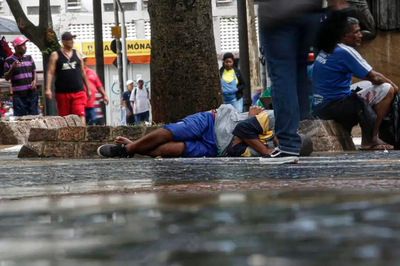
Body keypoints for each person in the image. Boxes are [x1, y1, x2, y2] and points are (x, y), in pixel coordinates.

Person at [258, 0, 347, 164]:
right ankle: (303, 127)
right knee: (299, 72)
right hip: (309, 12)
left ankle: (288, 144)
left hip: (279, 13)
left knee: (282, 75)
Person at [312, 17, 398, 150]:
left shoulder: (328, 47)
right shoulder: (344, 51)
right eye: (356, 32)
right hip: (334, 106)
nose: (360, 35)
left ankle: (370, 136)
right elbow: (375, 77)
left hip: (320, 105)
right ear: (344, 35)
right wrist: (394, 86)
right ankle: (371, 139)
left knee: (367, 85)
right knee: (387, 89)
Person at [97, 105, 276, 158]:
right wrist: (264, 149)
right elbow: (242, 129)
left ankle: (133, 146)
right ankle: (126, 150)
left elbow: (238, 149)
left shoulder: (276, 152)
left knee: (168, 151)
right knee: (169, 133)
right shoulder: (275, 119)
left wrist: (248, 134)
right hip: (213, 120)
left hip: (216, 149)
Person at [45, 32, 91, 126]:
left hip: (78, 91)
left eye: (72, 39)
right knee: (65, 118)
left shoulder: (77, 53)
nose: (72, 41)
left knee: (79, 114)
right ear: (63, 42)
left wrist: (88, 89)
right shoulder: (56, 55)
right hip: (62, 92)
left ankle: (82, 138)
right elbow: (50, 72)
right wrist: (48, 89)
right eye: (69, 39)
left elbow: (83, 72)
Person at [4, 36, 38, 116]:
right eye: (22, 45)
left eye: (25, 44)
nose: (25, 46)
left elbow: (34, 72)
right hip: (19, 97)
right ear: (16, 47)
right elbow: (6, 77)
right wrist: (13, 68)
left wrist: (34, 81)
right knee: (20, 120)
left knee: (34, 119)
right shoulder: (9, 60)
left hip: (32, 95)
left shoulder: (29, 58)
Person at [82, 54, 109, 125]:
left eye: (85, 60)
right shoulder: (76, 73)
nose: (84, 62)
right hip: (81, 106)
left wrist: (104, 95)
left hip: (92, 105)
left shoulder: (91, 72)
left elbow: (99, 85)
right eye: (82, 60)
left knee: (93, 124)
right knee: (82, 124)